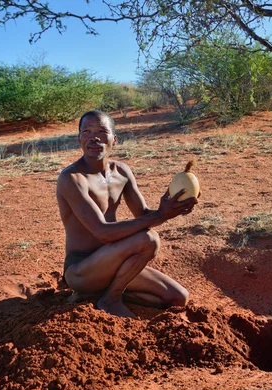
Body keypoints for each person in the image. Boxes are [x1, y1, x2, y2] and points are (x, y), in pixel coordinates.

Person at [56, 110, 198, 317]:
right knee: (148, 240)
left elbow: (143, 215)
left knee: (178, 298)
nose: (93, 137)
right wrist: (160, 215)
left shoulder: (121, 172)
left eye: (102, 131)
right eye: (86, 131)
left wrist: (173, 206)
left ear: (114, 139)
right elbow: (103, 232)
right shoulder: (72, 178)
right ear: (79, 138)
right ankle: (110, 299)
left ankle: (98, 295)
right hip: (82, 270)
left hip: (115, 261)